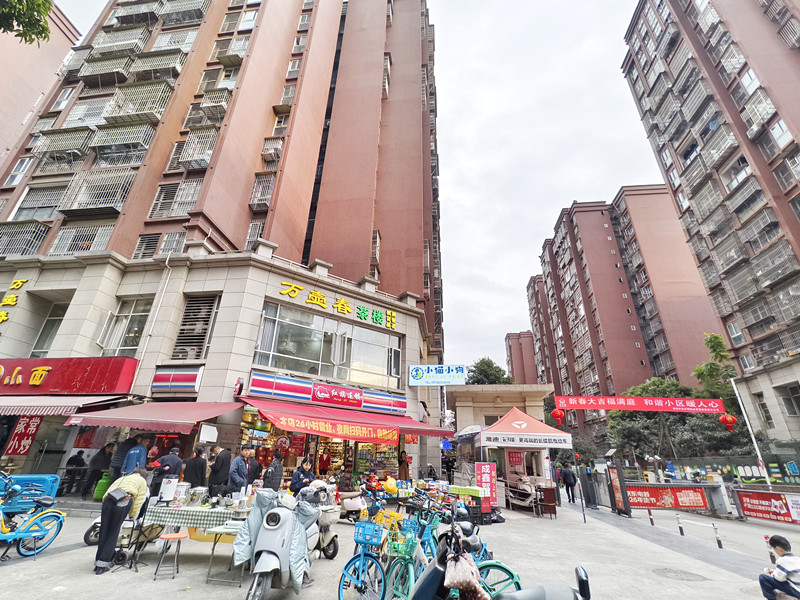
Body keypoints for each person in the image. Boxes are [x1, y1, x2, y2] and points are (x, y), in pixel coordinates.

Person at [94, 467, 148, 575]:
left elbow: (107, 492)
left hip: (108, 500)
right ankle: (104, 563)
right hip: (124, 499)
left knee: (104, 530)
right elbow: (138, 500)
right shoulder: (142, 481)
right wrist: (132, 514)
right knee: (113, 532)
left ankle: (98, 562)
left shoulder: (123, 478)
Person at [760, 535, 800, 599]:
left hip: (797, 591)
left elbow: (779, 578)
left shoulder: (782, 560)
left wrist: (771, 573)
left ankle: (772, 598)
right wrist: (775, 571)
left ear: (778, 548)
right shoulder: (797, 559)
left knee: (763, 578)